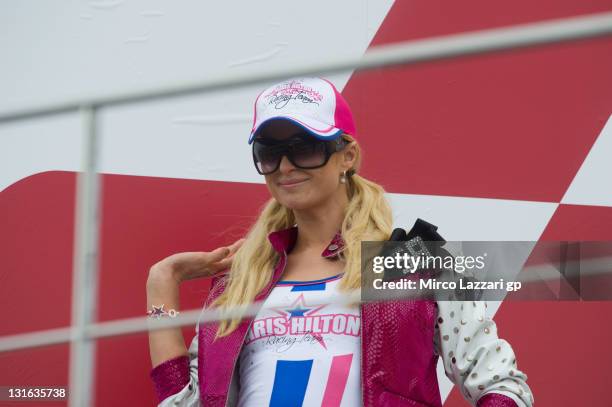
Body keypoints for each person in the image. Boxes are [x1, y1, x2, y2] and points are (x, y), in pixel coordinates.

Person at [147, 77, 533, 406]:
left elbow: (502, 386)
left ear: (346, 155)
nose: (285, 166)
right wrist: (162, 282)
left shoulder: (416, 263)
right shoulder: (239, 283)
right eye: (269, 152)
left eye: (304, 148)